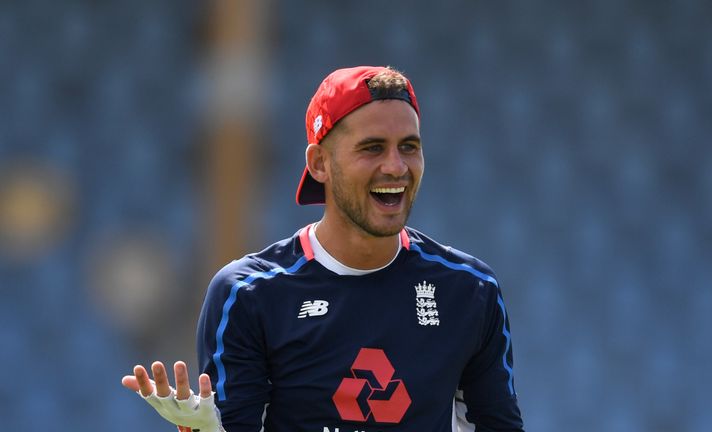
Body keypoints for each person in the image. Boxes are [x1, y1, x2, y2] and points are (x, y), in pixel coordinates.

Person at [122, 66, 525, 432]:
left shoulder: (470, 291)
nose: (396, 166)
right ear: (319, 164)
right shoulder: (247, 294)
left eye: (409, 146)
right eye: (372, 148)